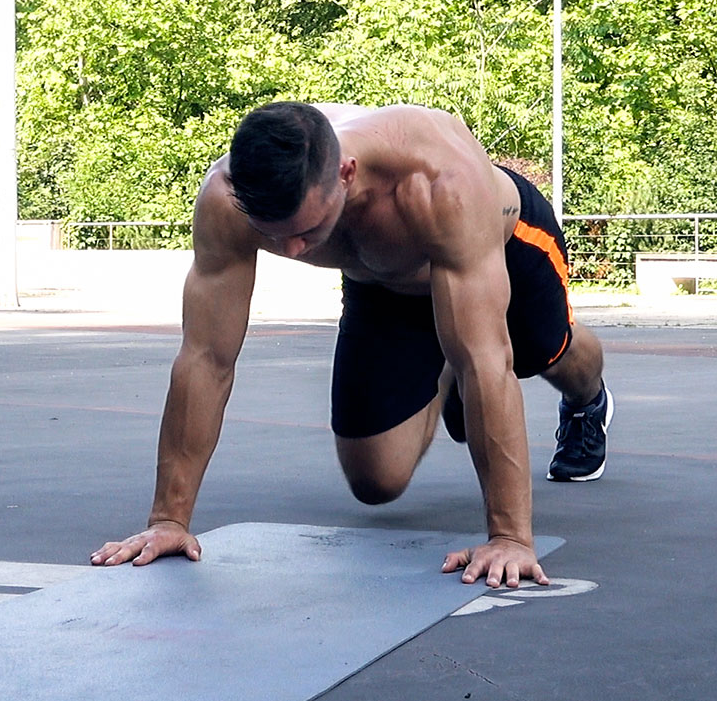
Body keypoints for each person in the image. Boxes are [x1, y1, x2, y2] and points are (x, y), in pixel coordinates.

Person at [90, 102, 613, 588]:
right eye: (275, 236)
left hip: (501, 244)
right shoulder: (227, 197)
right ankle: (442, 368)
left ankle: (589, 402)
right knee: (376, 481)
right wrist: (168, 520)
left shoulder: (439, 183)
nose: (292, 250)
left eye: (308, 230)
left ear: (346, 175)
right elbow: (206, 359)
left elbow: (486, 364)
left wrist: (510, 539)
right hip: (383, 283)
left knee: (546, 354)